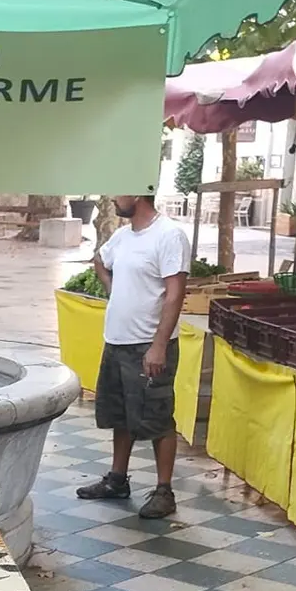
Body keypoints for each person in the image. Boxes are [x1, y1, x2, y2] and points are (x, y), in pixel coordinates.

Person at [75, 193, 190, 520]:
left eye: (119, 191)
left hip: (149, 344)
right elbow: (100, 260)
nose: (113, 198)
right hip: (117, 341)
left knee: (157, 415)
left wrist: (158, 345)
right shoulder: (122, 236)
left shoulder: (169, 235)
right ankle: (117, 479)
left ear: (138, 194)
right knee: (121, 413)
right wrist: (115, 290)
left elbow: (175, 294)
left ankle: (164, 491)